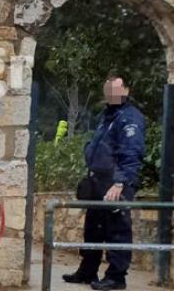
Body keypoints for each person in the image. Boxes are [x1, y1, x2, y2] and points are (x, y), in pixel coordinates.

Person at [63, 74, 145, 291]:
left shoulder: (129, 118)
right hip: (99, 181)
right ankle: (88, 270)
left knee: (117, 230)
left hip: (115, 183)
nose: (112, 94)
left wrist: (119, 184)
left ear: (126, 91)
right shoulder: (108, 116)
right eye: (108, 89)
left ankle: (116, 277)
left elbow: (131, 153)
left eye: (116, 89)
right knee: (93, 228)